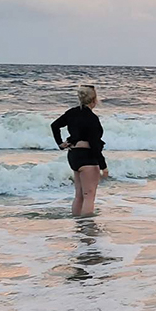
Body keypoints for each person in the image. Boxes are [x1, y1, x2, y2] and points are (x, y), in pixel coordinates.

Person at [51, 84, 109, 217]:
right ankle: (86, 230)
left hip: (74, 156)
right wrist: (103, 166)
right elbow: (94, 145)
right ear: (94, 100)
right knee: (89, 195)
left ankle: (78, 225)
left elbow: (54, 125)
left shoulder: (72, 112)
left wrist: (60, 144)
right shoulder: (92, 119)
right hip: (87, 157)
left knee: (79, 195)